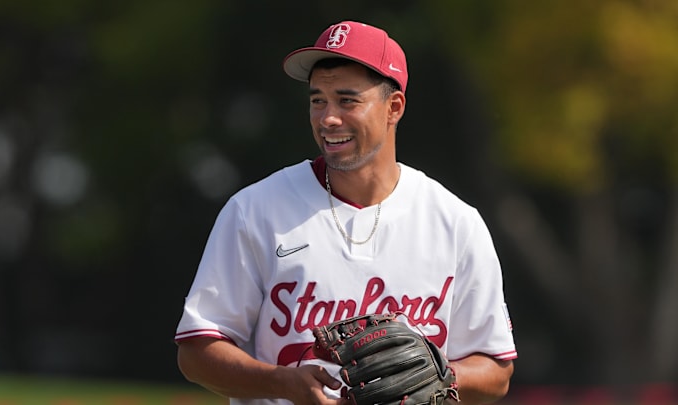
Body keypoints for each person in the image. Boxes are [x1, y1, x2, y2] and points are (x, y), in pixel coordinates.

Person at [175, 20, 517, 405]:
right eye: (318, 99)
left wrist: (440, 374)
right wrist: (282, 382)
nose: (328, 118)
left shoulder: (456, 223)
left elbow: (496, 370)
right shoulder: (254, 211)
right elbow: (196, 352)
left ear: (394, 107)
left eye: (347, 100)